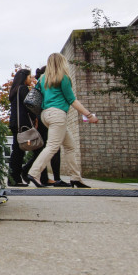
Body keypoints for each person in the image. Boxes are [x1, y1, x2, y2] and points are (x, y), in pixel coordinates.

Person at [24, 53, 98, 188]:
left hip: (45, 115)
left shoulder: (42, 79)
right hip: (57, 114)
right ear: (62, 63)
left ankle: (76, 178)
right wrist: (89, 115)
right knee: (52, 146)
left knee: (70, 146)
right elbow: (72, 100)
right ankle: (34, 173)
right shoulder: (63, 78)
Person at [21, 66, 69, 187]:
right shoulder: (47, 84)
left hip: (43, 118)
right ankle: (36, 173)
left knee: (48, 149)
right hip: (47, 118)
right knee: (53, 148)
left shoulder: (42, 84)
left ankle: (28, 170)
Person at [7, 68, 33, 186]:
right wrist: (34, 118)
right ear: (24, 77)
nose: (31, 79)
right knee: (19, 152)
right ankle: (15, 179)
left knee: (16, 151)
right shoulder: (23, 89)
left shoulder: (14, 90)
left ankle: (13, 178)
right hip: (21, 123)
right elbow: (30, 106)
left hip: (14, 123)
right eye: (29, 77)